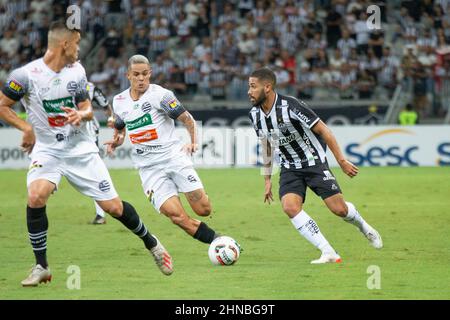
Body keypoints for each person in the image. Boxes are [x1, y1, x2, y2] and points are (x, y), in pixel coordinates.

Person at [0, 22, 173, 287]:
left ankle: (153, 244)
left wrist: (81, 114)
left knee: (113, 207)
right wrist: (25, 127)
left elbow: (87, 108)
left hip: (80, 150)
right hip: (47, 150)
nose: (80, 48)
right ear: (64, 45)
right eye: (77, 43)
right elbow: (3, 106)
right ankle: (41, 266)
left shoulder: (76, 72)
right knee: (36, 196)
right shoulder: (25, 75)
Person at [247, 67, 382, 264]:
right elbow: (267, 144)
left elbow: (324, 130)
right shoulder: (254, 115)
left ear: (267, 87)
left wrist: (341, 161)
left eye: (253, 86)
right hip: (289, 166)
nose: (249, 91)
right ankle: (328, 252)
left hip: (313, 162)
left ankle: (363, 226)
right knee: (290, 207)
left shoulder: (291, 106)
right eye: (248, 87)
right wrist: (267, 178)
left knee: (339, 210)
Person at [105, 55, 238, 254]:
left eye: (144, 74)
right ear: (128, 75)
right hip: (149, 169)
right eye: (136, 75)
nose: (141, 79)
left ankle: (197, 195)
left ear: (150, 73)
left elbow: (187, 118)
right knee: (176, 216)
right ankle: (219, 242)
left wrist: (193, 141)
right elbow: (122, 124)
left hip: (173, 158)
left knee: (204, 209)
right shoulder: (119, 101)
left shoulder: (161, 95)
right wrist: (118, 138)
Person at [85, 81, 114, 224]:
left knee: (93, 171)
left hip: (88, 133)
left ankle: (101, 213)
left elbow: (106, 105)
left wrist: (110, 118)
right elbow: (105, 105)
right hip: (67, 132)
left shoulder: (90, 87)